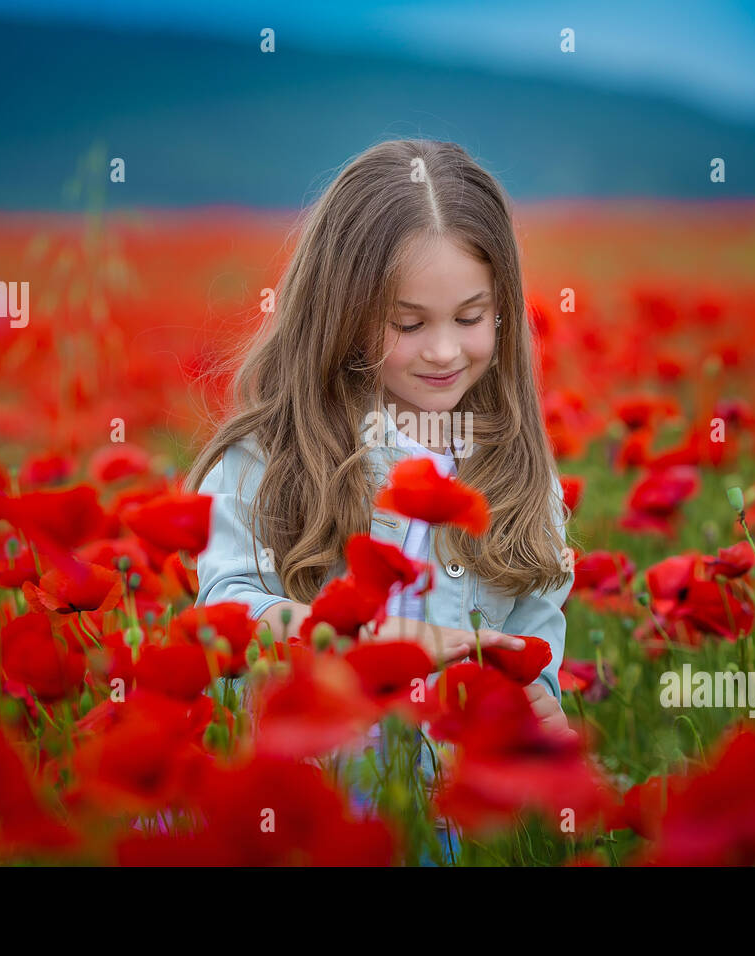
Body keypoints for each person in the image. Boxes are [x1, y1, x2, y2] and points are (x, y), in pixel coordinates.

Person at [185, 138, 576, 863]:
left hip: (456, 809)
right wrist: (342, 641)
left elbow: (536, 651)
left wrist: (539, 710)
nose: (443, 351)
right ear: (341, 311)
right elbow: (225, 604)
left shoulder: (524, 479)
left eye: (470, 317)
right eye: (408, 323)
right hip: (301, 796)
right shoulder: (269, 455)